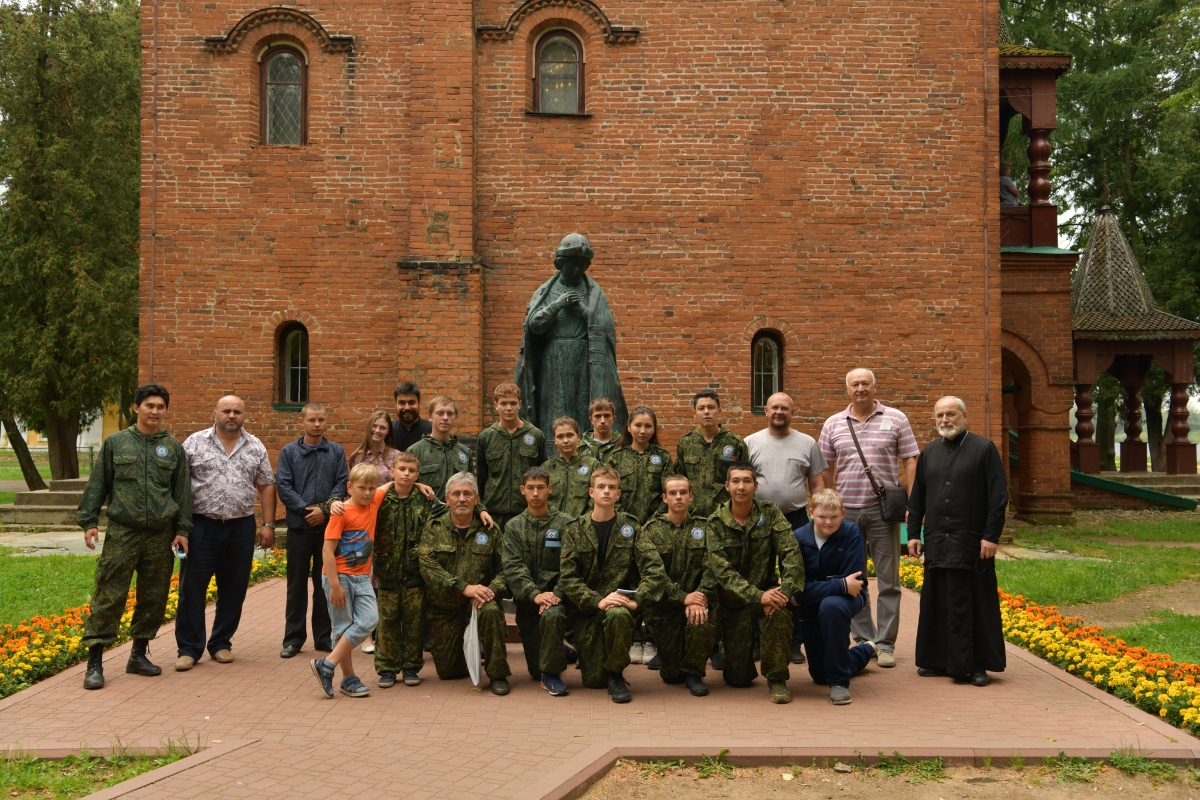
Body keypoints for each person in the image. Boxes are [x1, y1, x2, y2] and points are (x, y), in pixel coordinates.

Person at [78, 383, 193, 690]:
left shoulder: (173, 447)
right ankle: (95, 663)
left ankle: (138, 655)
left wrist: (182, 530)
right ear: (136, 408)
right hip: (123, 532)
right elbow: (98, 483)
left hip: (160, 534)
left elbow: (182, 493)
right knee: (109, 594)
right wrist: (89, 520)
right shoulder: (116, 443)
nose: (155, 411)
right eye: (149, 405)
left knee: (153, 596)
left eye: (160, 407)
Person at [818, 368, 919, 669]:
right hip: (846, 515)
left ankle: (886, 643)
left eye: (865, 383)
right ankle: (865, 640)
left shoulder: (896, 418)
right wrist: (829, 499)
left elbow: (910, 459)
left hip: (882, 511)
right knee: (855, 579)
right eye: (855, 384)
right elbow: (825, 465)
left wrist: (914, 501)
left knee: (889, 580)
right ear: (847, 390)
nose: (860, 388)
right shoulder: (833, 423)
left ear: (875, 387)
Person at [907, 397, 1008, 686]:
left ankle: (976, 665)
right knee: (938, 602)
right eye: (939, 415)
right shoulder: (929, 452)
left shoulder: (984, 449)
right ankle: (936, 660)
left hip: (973, 542)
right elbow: (918, 498)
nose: (944, 419)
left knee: (973, 603)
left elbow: (998, 497)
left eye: (950, 414)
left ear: (964, 416)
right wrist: (914, 533)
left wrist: (991, 536)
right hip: (938, 541)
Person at [175, 395, 276, 672]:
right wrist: (180, 527)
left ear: (245, 415)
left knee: (233, 590)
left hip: (240, 527)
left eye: (237, 412)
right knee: (191, 589)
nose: (232, 415)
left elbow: (266, 484)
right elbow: (180, 486)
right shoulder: (194, 443)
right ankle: (189, 649)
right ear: (216, 413)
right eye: (226, 411)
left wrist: (268, 524)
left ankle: (221, 643)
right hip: (201, 526)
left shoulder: (255, 446)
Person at [555, 466, 666, 703]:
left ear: (619, 494)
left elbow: (655, 570)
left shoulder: (631, 527)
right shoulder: (575, 529)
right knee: (594, 682)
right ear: (591, 492)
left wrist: (636, 600)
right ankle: (590, 657)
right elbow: (568, 576)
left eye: (612, 487)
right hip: (588, 612)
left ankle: (616, 674)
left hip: (621, 610)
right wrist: (598, 600)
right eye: (602, 487)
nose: (606, 491)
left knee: (617, 615)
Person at [707, 462, 804, 704]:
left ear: (756, 485)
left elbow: (791, 552)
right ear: (727, 486)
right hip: (734, 603)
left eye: (747, 481)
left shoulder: (770, 513)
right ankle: (728, 649)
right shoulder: (715, 521)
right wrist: (756, 595)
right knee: (738, 679)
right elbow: (722, 571)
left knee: (779, 615)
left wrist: (784, 591)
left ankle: (777, 678)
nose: (742, 486)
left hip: (768, 596)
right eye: (736, 481)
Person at [515, 233, 628, 435]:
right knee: (553, 409)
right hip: (553, 360)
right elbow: (534, 326)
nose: (577, 269)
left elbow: (605, 330)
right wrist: (557, 305)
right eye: (572, 264)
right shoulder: (546, 291)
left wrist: (583, 311)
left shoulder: (594, 292)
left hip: (585, 361)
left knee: (583, 406)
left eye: (582, 264)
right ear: (560, 263)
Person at [747, 391, 829, 665]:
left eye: (785, 408)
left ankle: (794, 642)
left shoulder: (807, 443)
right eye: (774, 408)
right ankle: (758, 639)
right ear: (765, 411)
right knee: (759, 577)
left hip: (795, 519)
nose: (779, 412)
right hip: (758, 519)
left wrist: (817, 514)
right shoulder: (750, 443)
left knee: (795, 579)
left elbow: (818, 483)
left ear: (792, 412)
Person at [418, 472, 512, 695]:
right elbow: (428, 567)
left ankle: (498, 674)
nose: (462, 498)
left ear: (477, 500)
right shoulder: (434, 528)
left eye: (468, 494)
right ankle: (466, 658)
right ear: (447, 499)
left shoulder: (490, 529)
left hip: (479, 603)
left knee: (491, 612)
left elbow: (507, 569)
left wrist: (490, 591)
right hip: (445, 608)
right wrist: (463, 587)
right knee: (449, 672)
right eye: (456, 494)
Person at [310, 463, 390, 698]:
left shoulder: (374, 502)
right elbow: (327, 552)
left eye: (371, 488)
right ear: (349, 487)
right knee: (342, 627)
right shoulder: (340, 512)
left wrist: (420, 484)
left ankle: (327, 664)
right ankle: (348, 679)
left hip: (362, 577)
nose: (367, 492)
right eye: (361, 487)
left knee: (370, 619)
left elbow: (393, 483)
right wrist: (334, 585)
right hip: (339, 577)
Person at [790, 489, 877, 705]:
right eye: (822, 516)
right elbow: (798, 589)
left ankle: (839, 683)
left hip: (846, 601)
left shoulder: (852, 533)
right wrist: (840, 583)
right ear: (811, 513)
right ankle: (865, 650)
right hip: (811, 605)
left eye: (834, 517)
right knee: (819, 675)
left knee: (831, 606)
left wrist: (818, 588)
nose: (828, 522)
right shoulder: (799, 537)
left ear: (843, 513)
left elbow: (855, 584)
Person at [276, 403, 349, 659]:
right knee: (295, 586)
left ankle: (323, 637)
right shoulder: (288, 453)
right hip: (299, 528)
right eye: (312, 420)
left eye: (321, 420)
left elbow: (342, 483)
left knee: (325, 585)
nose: (316, 424)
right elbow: (283, 486)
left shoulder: (336, 452)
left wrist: (325, 510)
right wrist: (308, 511)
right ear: (302, 422)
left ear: (326, 421)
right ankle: (293, 639)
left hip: (328, 530)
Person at [372, 451, 446, 688]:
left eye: (411, 470)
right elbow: (353, 501)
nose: (406, 473)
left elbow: (454, 507)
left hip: (415, 571)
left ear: (418, 474)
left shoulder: (425, 499)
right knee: (387, 620)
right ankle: (387, 668)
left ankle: (411, 667)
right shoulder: (380, 498)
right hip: (387, 571)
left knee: (414, 620)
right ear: (392, 472)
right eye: (402, 469)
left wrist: (481, 510)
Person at [500, 467, 576, 695]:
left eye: (540, 488)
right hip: (528, 605)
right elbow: (513, 567)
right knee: (534, 669)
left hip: (558, 602)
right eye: (530, 488)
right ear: (522, 490)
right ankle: (562, 650)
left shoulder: (566, 524)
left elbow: (571, 566)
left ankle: (550, 676)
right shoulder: (513, 527)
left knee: (551, 621)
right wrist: (535, 595)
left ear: (549, 489)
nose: (535, 493)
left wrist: (555, 595)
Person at [605, 405, 672, 665]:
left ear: (654, 429)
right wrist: (628, 524)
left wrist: (653, 524)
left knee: (653, 582)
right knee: (628, 581)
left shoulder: (663, 457)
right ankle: (633, 638)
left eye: (648, 426)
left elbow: (667, 494)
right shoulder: (616, 457)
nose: (642, 430)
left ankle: (652, 640)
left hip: (655, 532)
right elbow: (610, 492)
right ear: (628, 427)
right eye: (638, 425)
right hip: (624, 531)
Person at [640, 475, 717, 697]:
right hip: (665, 606)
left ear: (691, 496)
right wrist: (683, 597)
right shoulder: (651, 530)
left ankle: (694, 672)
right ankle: (676, 665)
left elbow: (712, 568)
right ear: (664, 498)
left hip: (698, 602)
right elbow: (653, 574)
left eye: (683, 492)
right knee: (671, 676)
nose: (678, 497)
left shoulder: (705, 527)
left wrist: (700, 597)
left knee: (702, 618)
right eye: (673, 493)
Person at [476, 383, 547, 531]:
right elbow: (481, 477)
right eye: (503, 403)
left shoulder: (535, 435)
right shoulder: (486, 437)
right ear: (496, 405)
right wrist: (480, 508)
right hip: (493, 513)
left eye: (513, 403)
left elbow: (544, 474)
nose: (509, 408)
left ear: (520, 404)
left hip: (526, 512)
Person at [673, 389, 748, 518]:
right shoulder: (686, 443)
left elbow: (745, 480)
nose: (706, 412)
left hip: (726, 516)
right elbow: (679, 479)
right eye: (701, 408)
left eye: (711, 407)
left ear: (719, 411)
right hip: (693, 516)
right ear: (694, 413)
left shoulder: (735, 443)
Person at [408, 396, 474, 503]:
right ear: (429, 416)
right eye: (440, 413)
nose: (445, 417)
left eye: (450, 413)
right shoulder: (415, 451)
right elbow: (405, 487)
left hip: (456, 515)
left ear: (455, 417)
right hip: (426, 516)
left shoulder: (465, 452)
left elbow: (472, 488)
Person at [542, 416, 600, 518]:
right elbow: (542, 499)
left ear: (578, 437)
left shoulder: (592, 465)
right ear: (554, 439)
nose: (565, 440)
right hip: (553, 527)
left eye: (570, 435)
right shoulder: (546, 467)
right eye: (560, 437)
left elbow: (596, 498)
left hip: (581, 526)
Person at [349, 409, 400, 485]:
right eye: (374, 426)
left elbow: (404, 482)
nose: (377, 430)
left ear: (388, 431)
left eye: (383, 428)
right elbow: (352, 485)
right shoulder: (357, 456)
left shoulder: (396, 456)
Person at [392, 381, 433, 452]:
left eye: (411, 403)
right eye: (402, 403)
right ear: (395, 404)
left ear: (419, 403)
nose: (407, 407)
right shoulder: (389, 429)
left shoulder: (431, 430)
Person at [580, 397, 619, 464]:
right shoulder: (580, 447)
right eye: (597, 416)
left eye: (607, 416)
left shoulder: (622, 446)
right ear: (591, 419)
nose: (602, 421)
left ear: (613, 418)